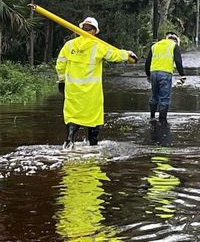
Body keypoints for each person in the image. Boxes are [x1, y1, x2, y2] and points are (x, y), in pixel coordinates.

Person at [56, 17, 136, 149]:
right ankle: (93, 147)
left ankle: (69, 139)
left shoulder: (69, 45)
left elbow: (60, 64)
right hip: (91, 92)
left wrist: (62, 80)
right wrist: (128, 55)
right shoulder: (98, 46)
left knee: (73, 115)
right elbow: (114, 55)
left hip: (73, 90)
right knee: (93, 118)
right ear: (94, 31)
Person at [144, 32, 185, 121]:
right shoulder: (174, 46)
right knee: (164, 98)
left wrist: (148, 74)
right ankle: (162, 120)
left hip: (154, 73)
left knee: (154, 96)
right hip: (165, 74)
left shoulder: (155, 46)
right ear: (176, 41)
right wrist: (182, 75)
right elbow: (178, 62)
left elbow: (147, 62)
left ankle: (152, 117)